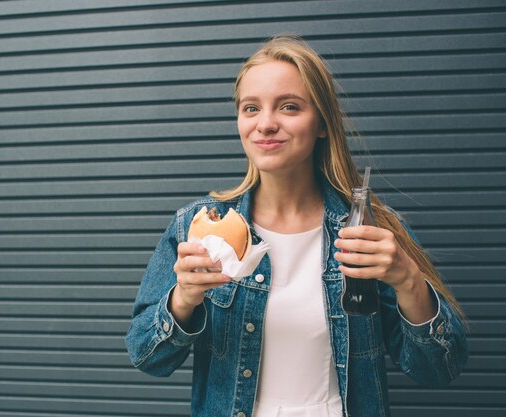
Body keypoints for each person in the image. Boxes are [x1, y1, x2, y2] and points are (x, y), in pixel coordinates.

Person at [125, 35, 468, 417]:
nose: (266, 124)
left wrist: (408, 280)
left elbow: (440, 368)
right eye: (251, 108)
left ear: (322, 123)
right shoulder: (198, 227)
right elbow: (146, 356)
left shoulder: (370, 230)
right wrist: (184, 299)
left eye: (289, 107)